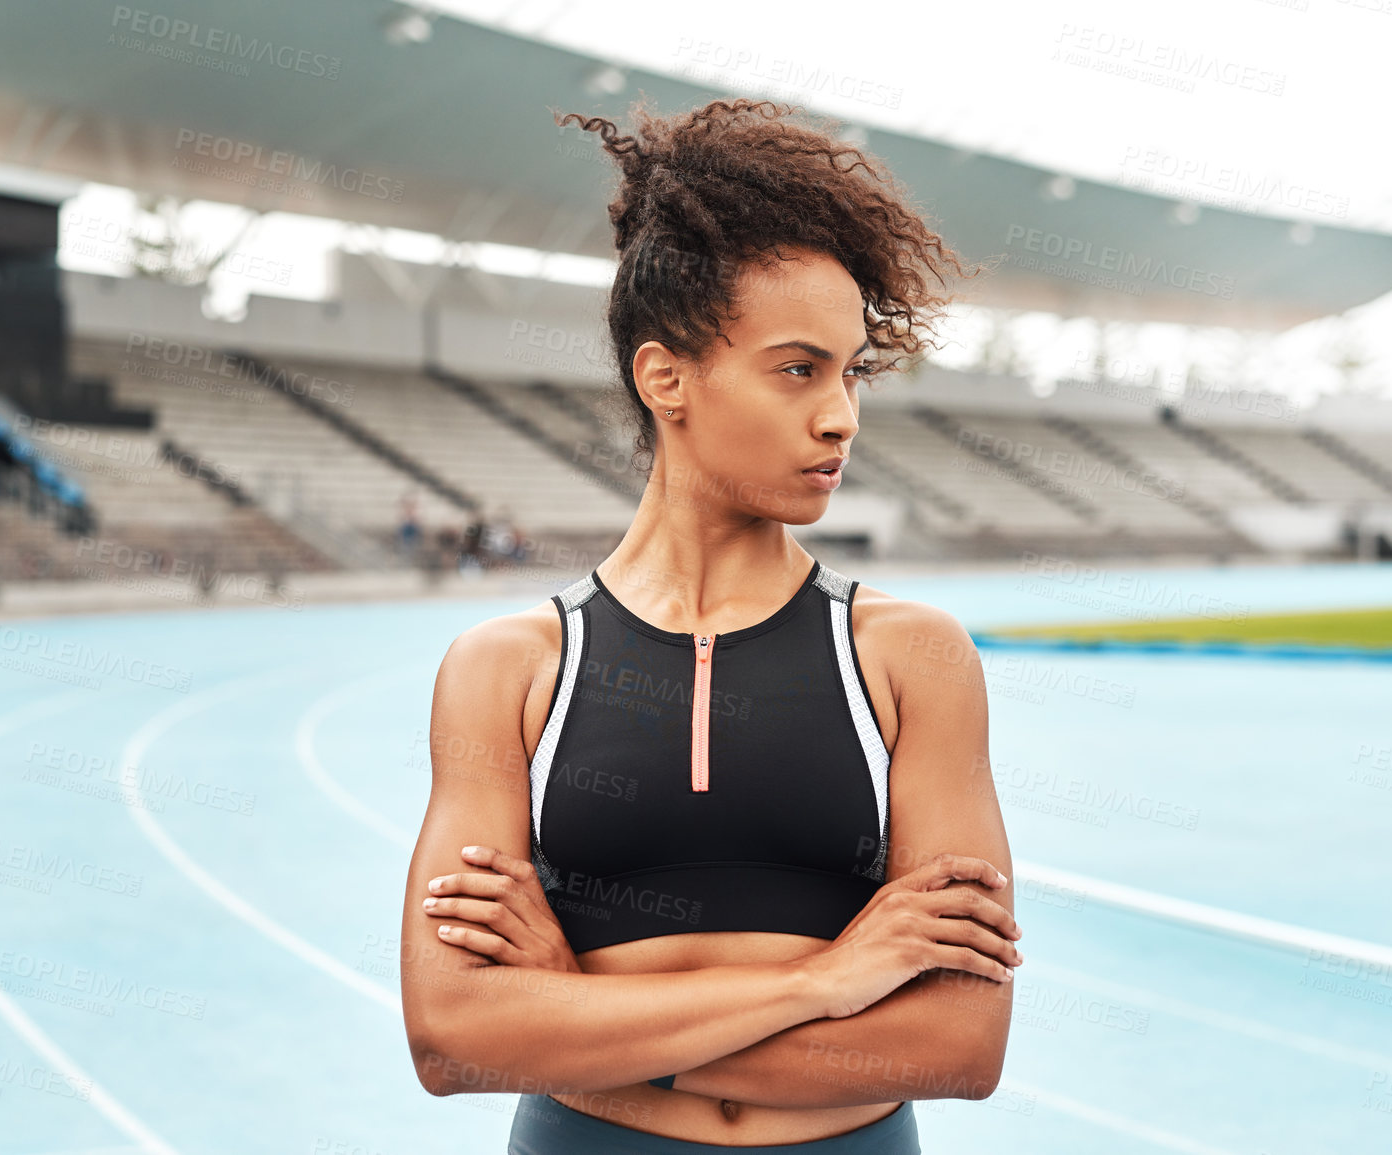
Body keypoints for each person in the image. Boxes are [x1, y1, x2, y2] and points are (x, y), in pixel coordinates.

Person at [401, 98, 1017, 1154]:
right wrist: (829, 981)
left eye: (851, 371)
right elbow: (453, 1036)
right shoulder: (507, 673)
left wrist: (570, 1018)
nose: (841, 416)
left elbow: (962, 1041)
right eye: (798, 368)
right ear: (666, 378)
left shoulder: (912, 659)